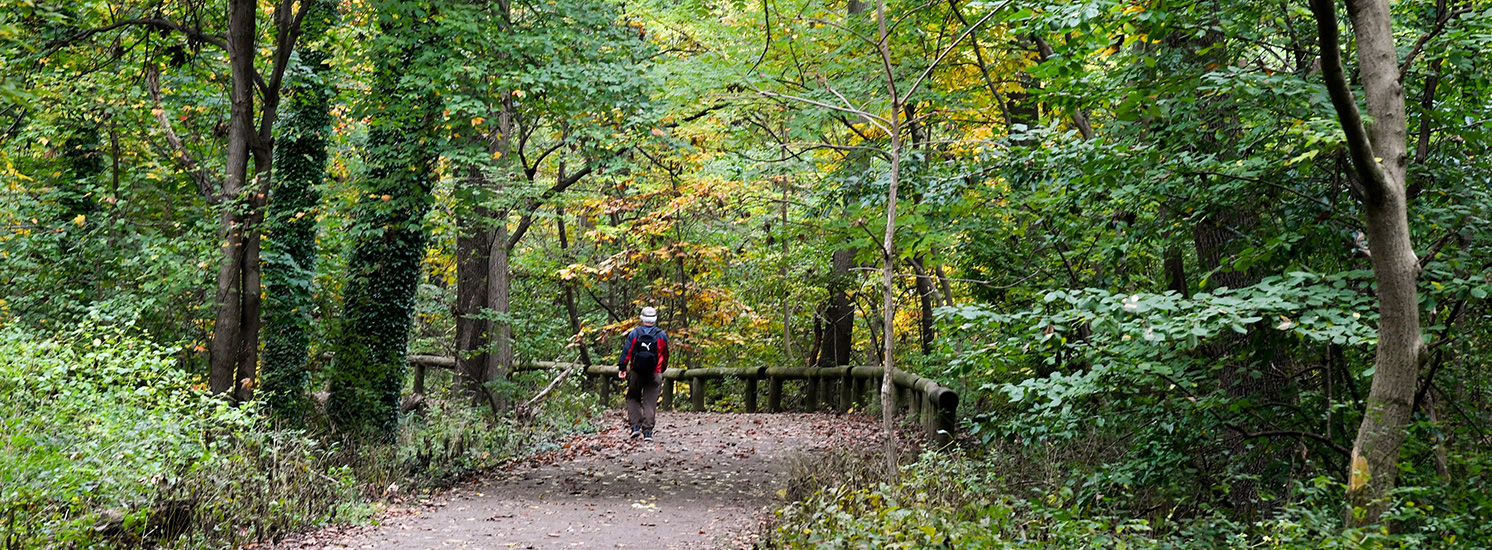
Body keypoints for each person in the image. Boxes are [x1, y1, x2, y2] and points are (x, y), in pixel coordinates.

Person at [618, 306, 669, 441]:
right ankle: (647, 432)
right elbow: (665, 354)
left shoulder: (635, 334)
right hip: (655, 372)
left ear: (642, 318)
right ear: (655, 319)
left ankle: (635, 427)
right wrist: (661, 369)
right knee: (650, 401)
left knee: (632, 398)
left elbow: (626, 352)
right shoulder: (661, 335)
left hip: (636, 371)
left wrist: (622, 368)